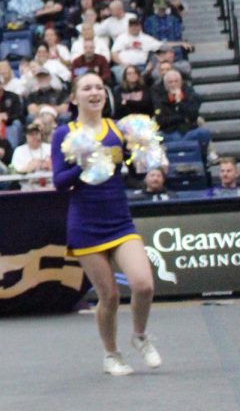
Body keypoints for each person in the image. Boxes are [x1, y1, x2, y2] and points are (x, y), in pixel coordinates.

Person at [51, 73, 160, 376]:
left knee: (144, 284)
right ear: (75, 98)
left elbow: (134, 173)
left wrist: (144, 154)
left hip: (119, 220)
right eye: (87, 88)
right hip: (85, 224)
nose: (94, 92)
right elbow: (59, 182)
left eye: (99, 87)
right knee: (109, 296)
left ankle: (140, 336)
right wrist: (84, 165)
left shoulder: (118, 129)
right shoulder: (65, 133)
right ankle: (111, 355)